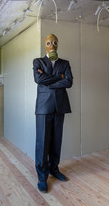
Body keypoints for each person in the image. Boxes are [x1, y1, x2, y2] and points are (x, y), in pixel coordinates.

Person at [33, 34, 73, 193]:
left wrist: (49, 79)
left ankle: (54, 169)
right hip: (43, 107)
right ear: (45, 45)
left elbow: (69, 82)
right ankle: (42, 177)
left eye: (55, 43)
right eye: (49, 43)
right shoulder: (38, 62)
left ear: (58, 44)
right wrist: (58, 77)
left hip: (60, 106)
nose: (52, 45)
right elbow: (38, 79)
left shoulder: (65, 63)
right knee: (42, 143)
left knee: (56, 141)